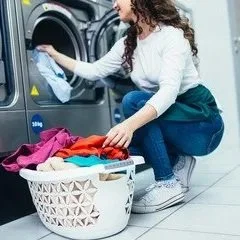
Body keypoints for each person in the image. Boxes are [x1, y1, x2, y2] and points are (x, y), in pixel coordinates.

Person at [37, 0, 224, 213]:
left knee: (132, 101)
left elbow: (168, 92)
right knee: (127, 145)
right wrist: (54, 53)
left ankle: (168, 183)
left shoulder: (171, 36)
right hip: (174, 121)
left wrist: (128, 125)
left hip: (203, 124)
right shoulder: (129, 42)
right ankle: (178, 161)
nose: (114, 4)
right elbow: (94, 70)